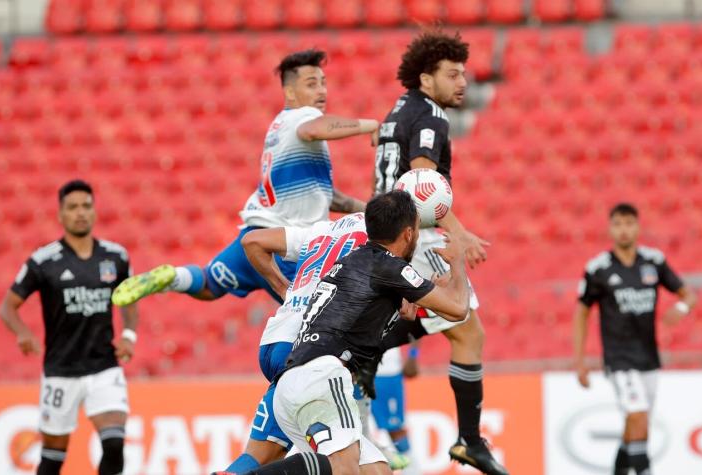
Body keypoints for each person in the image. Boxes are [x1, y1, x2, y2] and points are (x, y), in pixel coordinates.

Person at [217, 190, 471, 475]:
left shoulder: (353, 260)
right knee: (343, 469)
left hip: (294, 375)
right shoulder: (390, 267)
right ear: (410, 233)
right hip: (322, 374)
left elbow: (362, 306)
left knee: (376, 471)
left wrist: (405, 302)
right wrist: (457, 260)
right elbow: (459, 309)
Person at [111, 49, 378, 307]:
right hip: (284, 246)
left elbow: (325, 196)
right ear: (289, 92)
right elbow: (312, 129)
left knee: (207, 284)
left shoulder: (278, 127)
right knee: (322, 318)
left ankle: (172, 277)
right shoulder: (303, 116)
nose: (321, 91)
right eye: (311, 84)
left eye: (323, 83)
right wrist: (372, 125)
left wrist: (368, 210)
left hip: (251, 239)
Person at [372, 29, 507, 475]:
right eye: (453, 74)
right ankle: (469, 440)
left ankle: (355, 355)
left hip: (390, 231)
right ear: (426, 79)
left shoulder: (397, 111)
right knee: (468, 332)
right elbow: (422, 183)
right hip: (417, 233)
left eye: (464, 74)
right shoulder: (429, 117)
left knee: (420, 320)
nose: (463, 82)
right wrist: (460, 232)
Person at [0, 180, 139, 475]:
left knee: (114, 443)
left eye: (86, 206)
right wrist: (23, 333)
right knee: (53, 458)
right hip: (61, 370)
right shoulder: (43, 261)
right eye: (72, 207)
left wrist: (128, 335)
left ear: (95, 212)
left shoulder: (115, 257)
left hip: (104, 366)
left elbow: (129, 297)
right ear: (60, 214)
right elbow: (7, 307)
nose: (80, 213)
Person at [218, 212, 369, 473]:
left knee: (262, 454)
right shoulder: (381, 238)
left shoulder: (320, 229)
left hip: (276, 339)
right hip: (309, 345)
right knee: (343, 461)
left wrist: (282, 288)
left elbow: (252, 241)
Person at [574, 203, 697, 475]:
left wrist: (681, 308)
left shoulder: (654, 262)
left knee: (636, 427)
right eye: (618, 224)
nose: (624, 230)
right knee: (638, 417)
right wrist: (580, 360)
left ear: (638, 227)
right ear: (610, 228)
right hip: (620, 359)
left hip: (648, 358)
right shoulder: (599, 269)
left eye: (629, 223)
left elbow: (688, 294)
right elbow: (582, 312)